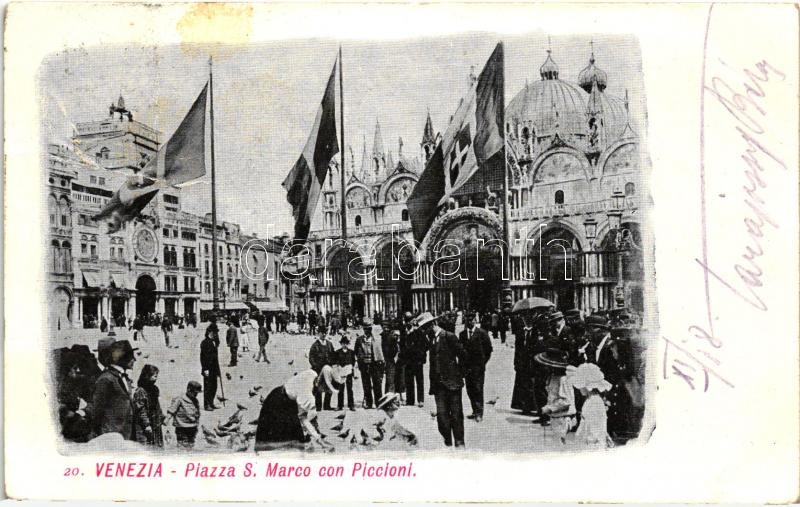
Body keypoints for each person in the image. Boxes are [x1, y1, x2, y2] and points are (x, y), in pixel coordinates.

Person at [255, 366, 340, 451]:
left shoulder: (311, 373)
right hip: (277, 404)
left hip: (279, 395)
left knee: (295, 439)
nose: (325, 392)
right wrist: (319, 439)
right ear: (322, 384)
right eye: (326, 390)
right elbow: (304, 419)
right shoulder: (307, 395)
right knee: (278, 440)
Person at [422, 312, 466, 447]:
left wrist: (459, 374)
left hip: (453, 384)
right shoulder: (432, 340)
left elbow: (464, 355)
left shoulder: (449, 336)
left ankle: (459, 442)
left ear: (433, 324)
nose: (425, 331)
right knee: (442, 416)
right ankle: (446, 442)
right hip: (438, 385)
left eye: (426, 328)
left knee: (456, 414)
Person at [92, 340, 137, 440]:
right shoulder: (106, 379)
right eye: (131, 356)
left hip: (126, 434)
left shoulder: (122, 377)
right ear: (123, 358)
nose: (134, 360)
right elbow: (97, 411)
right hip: (112, 436)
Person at [459, 311, 493, 422]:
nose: (470, 321)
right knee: (470, 390)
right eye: (467, 320)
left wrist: (483, 363)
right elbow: (460, 352)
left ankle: (479, 413)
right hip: (467, 369)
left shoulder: (482, 333)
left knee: (478, 389)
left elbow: (488, 350)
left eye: (472, 319)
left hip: (478, 368)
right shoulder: (462, 335)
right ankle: (474, 411)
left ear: (475, 320)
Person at [354, 319, 384, 409]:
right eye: (366, 329)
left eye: (370, 329)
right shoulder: (359, 340)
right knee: (366, 384)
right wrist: (360, 359)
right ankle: (369, 402)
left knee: (377, 384)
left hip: (374, 364)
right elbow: (356, 351)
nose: (368, 331)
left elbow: (379, 351)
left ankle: (379, 402)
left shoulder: (376, 339)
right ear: (363, 329)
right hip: (364, 365)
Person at [132, 364, 164, 447]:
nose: (156, 379)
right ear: (147, 376)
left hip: (155, 423)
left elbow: (157, 405)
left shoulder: (155, 389)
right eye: (154, 376)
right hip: (144, 426)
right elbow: (140, 410)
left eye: (156, 376)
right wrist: (147, 424)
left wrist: (161, 417)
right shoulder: (140, 391)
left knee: (157, 446)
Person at [165, 380, 203, 449]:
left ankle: (189, 456)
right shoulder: (180, 399)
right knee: (182, 445)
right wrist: (167, 418)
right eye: (195, 393)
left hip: (192, 427)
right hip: (181, 427)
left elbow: (197, 413)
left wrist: (197, 424)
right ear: (188, 390)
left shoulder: (195, 400)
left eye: (197, 393)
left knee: (191, 444)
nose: (196, 395)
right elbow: (172, 409)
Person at [403, 317, 428, 407]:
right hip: (408, 361)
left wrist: (421, 355)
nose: (408, 323)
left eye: (409, 321)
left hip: (417, 361)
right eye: (406, 321)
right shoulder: (404, 332)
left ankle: (420, 400)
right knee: (408, 381)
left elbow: (426, 345)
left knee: (419, 381)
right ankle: (410, 400)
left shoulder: (419, 332)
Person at [309, 331, 335, 411]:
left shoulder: (329, 344)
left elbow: (333, 355)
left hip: (327, 369)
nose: (323, 334)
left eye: (325, 333)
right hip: (318, 369)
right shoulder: (315, 345)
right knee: (318, 387)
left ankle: (327, 405)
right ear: (318, 334)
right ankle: (318, 406)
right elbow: (311, 357)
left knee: (329, 386)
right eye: (322, 333)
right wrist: (315, 366)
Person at [200, 320, 221, 411]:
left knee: (214, 386)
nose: (216, 334)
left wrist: (218, 370)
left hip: (214, 368)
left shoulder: (213, 342)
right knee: (208, 387)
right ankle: (206, 404)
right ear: (210, 332)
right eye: (215, 332)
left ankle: (211, 402)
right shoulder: (205, 343)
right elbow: (203, 358)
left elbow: (215, 357)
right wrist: (205, 369)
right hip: (208, 368)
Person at [335, 335, 356, 411]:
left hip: (349, 372)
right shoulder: (337, 352)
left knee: (349, 389)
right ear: (341, 344)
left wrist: (351, 369)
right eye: (343, 343)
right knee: (340, 389)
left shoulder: (351, 352)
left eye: (346, 343)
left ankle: (351, 405)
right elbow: (335, 362)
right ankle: (340, 405)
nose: (345, 345)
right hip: (341, 372)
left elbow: (353, 362)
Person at [382, 328, 400, 394]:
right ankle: (390, 395)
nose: (397, 337)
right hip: (391, 361)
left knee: (394, 379)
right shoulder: (389, 341)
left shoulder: (396, 342)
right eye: (395, 335)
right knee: (390, 379)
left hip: (395, 361)